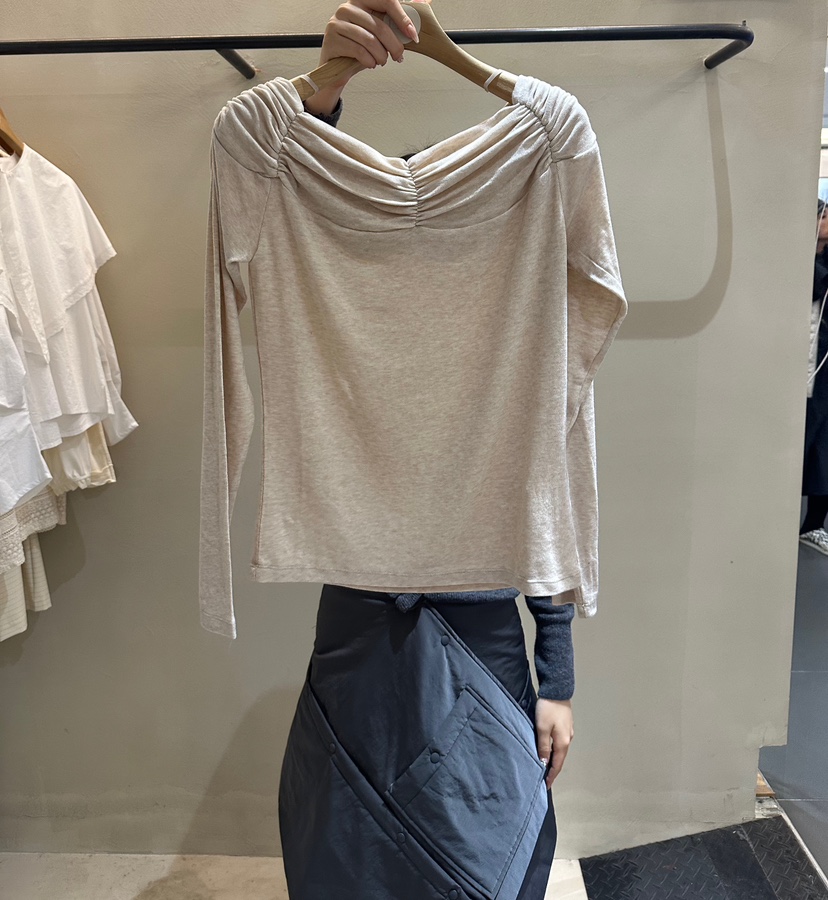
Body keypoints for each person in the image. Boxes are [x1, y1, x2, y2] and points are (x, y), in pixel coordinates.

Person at [278, 3, 576, 897]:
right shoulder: (347, 331)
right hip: (358, 615)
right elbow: (302, 216)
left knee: (487, 845)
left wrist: (556, 680)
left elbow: (546, 491)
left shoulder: (511, 335)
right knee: (344, 846)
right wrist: (323, 96)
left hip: (479, 623)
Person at [800, 198, 828, 553]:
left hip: (822, 367)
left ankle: (814, 525)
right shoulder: (803, 263)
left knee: (823, 448)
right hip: (805, 366)